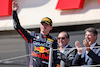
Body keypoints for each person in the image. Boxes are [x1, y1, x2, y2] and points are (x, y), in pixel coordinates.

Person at [12, 1, 58, 67]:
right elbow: (17, 27)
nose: (44, 26)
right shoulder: (32, 36)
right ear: (40, 25)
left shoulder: (53, 41)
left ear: (51, 27)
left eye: (46, 25)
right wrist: (14, 12)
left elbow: (56, 59)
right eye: (42, 24)